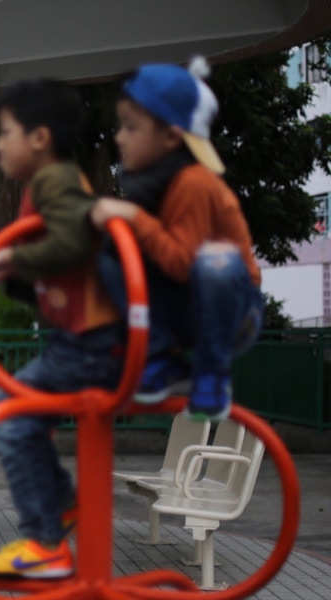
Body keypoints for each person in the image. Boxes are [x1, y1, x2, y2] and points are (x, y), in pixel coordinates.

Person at [0, 79, 124, 579]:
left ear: (38, 138)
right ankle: (61, 505)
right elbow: (55, 270)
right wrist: (13, 271)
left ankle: (46, 539)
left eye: (5, 132)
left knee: (8, 418)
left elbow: (74, 242)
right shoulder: (53, 183)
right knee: (18, 419)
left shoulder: (54, 180)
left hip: (87, 344)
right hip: (81, 339)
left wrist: (13, 255)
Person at [90, 59, 263, 421]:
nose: (119, 137)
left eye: (132, 127)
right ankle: (160, 360)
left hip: (234, 313)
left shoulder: (193, 183)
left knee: (215, 261)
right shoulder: (153, 185)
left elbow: (184, 262)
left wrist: (133, 218)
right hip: (186, 307)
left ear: (170, 136)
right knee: (108, 255)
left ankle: (212, 374)